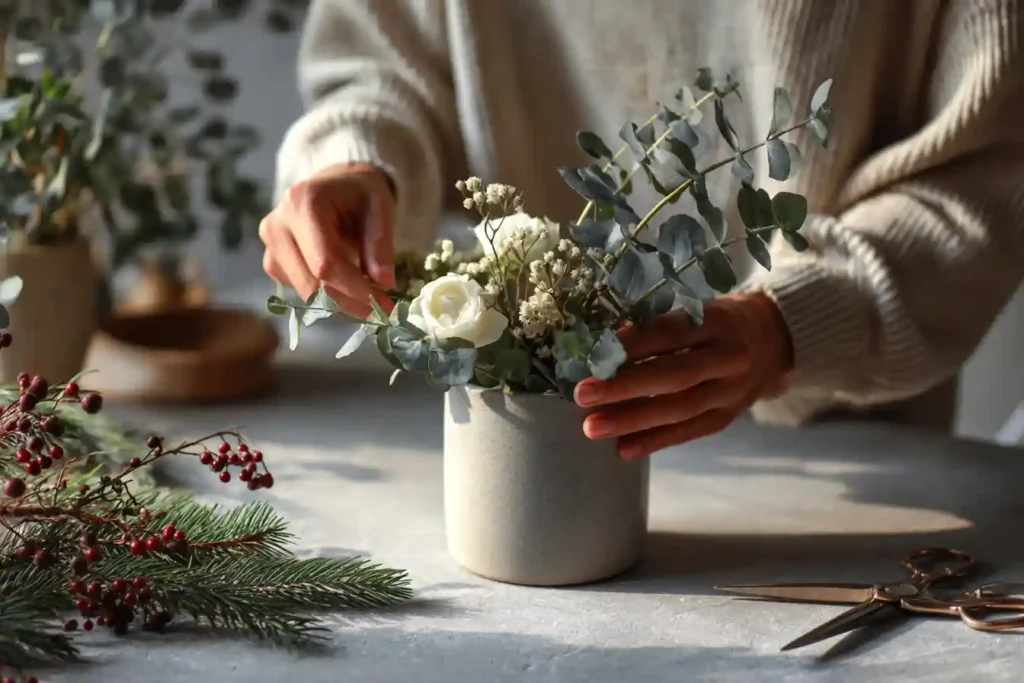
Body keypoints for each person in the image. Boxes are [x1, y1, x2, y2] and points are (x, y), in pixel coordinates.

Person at [260, 0, 1024, 460]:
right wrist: (357, 160)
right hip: (533, 436)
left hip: (853, 463)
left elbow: (990, 167)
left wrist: (799, 325)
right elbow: (384, 57)